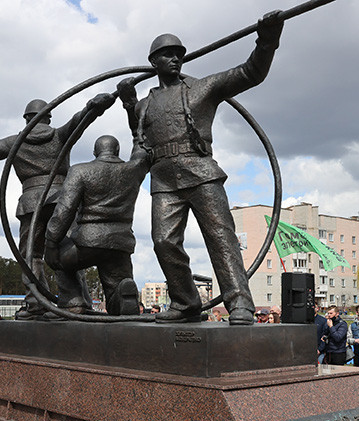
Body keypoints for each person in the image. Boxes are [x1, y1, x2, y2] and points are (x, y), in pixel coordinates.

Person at [116, 10, 284, 325]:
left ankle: (240, 305)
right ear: (154, 62)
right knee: (164, 241)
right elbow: (139, 135)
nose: (175, 59)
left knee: (221, 238)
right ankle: (186, 302)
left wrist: (268, 39)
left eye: (179, 54)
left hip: (202, 173)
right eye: (167, 55)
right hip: (164, 179)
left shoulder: (202, 87)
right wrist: (128, 103)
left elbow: (251, 73)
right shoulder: (145, 103)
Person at [0, 94, 116, 319]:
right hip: (61, 200)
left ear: (26, 119)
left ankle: (36, 303)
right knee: (66, 249)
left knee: (31, 255)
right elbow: (82, 117)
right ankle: (74, 301)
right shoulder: (61, 134)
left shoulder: (16, 141)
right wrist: (95, 104)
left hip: (31, 204)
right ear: (48, 118)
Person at [44, 135, 148, 316]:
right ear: (117, 151)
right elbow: (142, 147)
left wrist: (51, 242)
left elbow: (65, 210)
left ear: (94, 152)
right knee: (116, 285)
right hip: (121, 244)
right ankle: (121, 296)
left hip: (88, 243)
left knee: (58, 258)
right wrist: (133, 112)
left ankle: (73, 302)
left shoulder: (80, 171)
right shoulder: (134, 169)